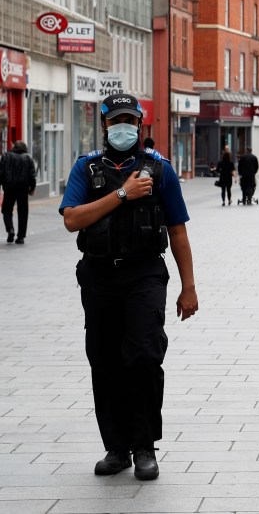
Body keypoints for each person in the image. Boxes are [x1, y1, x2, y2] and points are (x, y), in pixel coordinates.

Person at [59, 93, 198, 481]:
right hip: (100, 275)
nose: (124, 127)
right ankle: (116, 448)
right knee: (104, 362)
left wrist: (189, 287)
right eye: (117, 120)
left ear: (140, 124)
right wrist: (122, 194)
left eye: (131, 120)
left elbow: (178, 231)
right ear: (104, 125)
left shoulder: (159, 170)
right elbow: (72, 219)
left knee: (143, 357)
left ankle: (144, 447)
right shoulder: (86, 169)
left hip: (145, 275)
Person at [0, 140, 37, 244]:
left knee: (6, 210)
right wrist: (32, 188)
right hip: (23, 188)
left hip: (9, 188)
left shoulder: (6, 156)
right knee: (23, 212)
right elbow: (32, 175)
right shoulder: (28, 158)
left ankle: (10, 229)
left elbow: (0, 172)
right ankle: (21, 237)